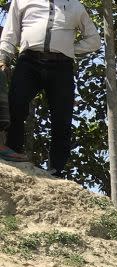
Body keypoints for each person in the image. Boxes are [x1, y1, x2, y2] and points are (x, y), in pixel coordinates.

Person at [0, 0, 99, 174]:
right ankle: (13, 152)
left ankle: (56, 169)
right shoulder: (22, 1)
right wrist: (4, 57)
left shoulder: (75, 6)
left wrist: (69, 48)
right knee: (16, 104)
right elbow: (10, 31)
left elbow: (93, 40)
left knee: (62, 118)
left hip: (62, 66)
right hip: (28, 61)